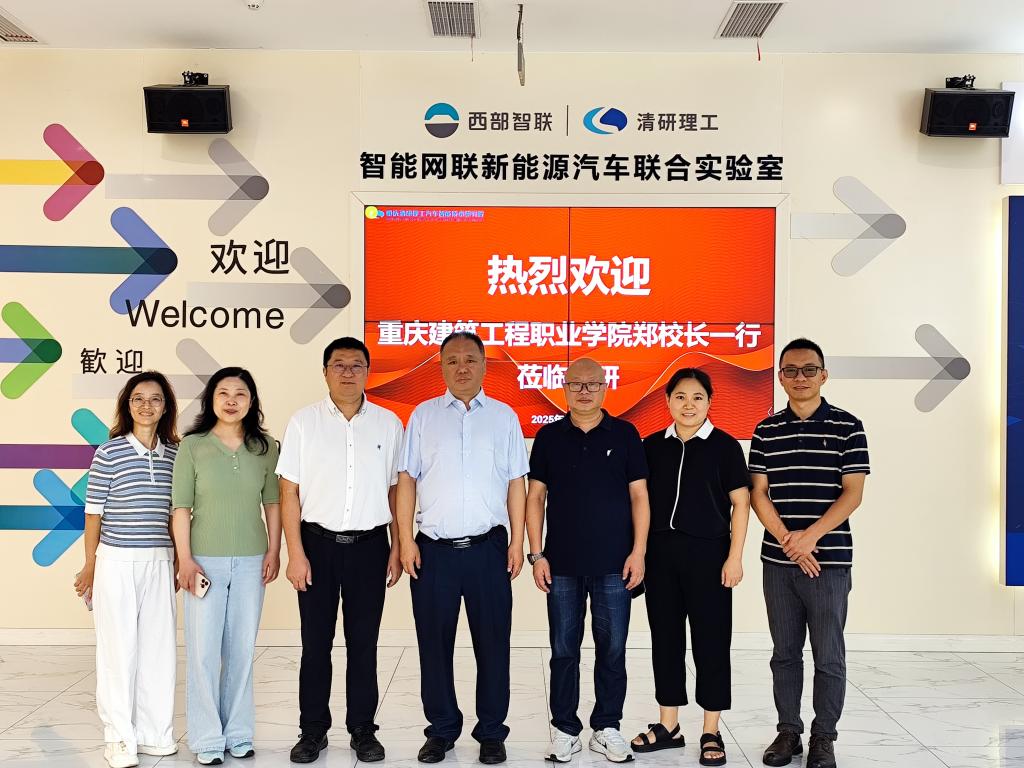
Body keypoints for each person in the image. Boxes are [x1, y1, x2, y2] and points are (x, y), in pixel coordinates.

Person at [397, 331, 529, 766]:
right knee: (434, 645)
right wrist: (404, 540)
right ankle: (441, 730)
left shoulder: (504, 417)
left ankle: (491, 732)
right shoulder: (423, 416)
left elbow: (516, 482)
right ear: (440, 367)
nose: (462, 368)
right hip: (433, 551)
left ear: (485, 365)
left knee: (493, 644)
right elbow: (407, 480)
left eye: (470, 359)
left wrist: (518, 541)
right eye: (452, 360)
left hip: (488, 549)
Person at [276, 337, 404, 764]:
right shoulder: (303, 422)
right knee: (316, 644)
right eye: (339, 365)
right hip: (317, 546)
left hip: (371, 547)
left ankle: (363, 729)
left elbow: (396, 490)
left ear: (368, 372)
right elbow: (288, 491)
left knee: (364, 644)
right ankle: (313, 730)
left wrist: (397, 545)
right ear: (325, 372)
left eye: (356, 365)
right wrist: (296, 553)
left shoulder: (388, 424)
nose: (347, 372)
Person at [749, 339, 869, 768]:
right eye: (791, 370)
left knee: (828, 655)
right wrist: (789, 540)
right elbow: (758, 493)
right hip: (777, 562)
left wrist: (811, 537)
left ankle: (824, 737)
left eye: (809, 369)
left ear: (823, 374)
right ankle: (789, 732)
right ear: (780, 377)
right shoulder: (765, 430)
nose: (800, 377)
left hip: (829, 562)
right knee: (784, 653)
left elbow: (852, 493)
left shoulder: (848, 426)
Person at [526, 358, 650, 764]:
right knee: (564, 650)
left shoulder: (626, 434)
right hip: (561, 564)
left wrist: (638, 552)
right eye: (576, 384)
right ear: (564, 388)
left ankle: (607, 727)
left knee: (612, 649)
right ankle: (565, 729)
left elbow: (639, 497)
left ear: (604, 387)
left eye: (592, 384)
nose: (584, 391)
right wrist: (537, 553)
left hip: (616, 563)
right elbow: (535, 497)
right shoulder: (549, 437)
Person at [630, 368, 751, 767]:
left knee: (711, 643)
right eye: (680, 396)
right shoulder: (652, 446)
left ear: (709, 402)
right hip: (661, 558)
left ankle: (711, 729)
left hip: (710, 558)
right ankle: (669, 725)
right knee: (665, 640)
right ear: (667, 400)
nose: (688, 405)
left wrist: (735, 556)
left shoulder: (725, 447)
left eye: (698, 397)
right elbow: (637, 503)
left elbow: (741, 504)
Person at [172, 367, 282, 766]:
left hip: (253, 560)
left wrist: (274, 551)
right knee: (203, 652)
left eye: (240, 393)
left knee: (241, 649)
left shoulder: (265, 447)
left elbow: (273, 503)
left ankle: (238, 733)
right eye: (223, 393)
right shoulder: (192, 446)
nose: (232, 400)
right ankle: (206, 738)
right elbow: (180, 508)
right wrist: (185, 559)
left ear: (252, 401)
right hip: (204, 562)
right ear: (211, 400)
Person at [75, 372, 181, 768]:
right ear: (128, 405)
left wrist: (177, 560)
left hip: (160, 561)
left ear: (166, 407)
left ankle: (155, 734)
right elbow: (93, 514)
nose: (146, 405)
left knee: (159, 651)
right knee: (118, 652)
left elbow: (175, 514)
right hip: (116, 562)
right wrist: (90, 565)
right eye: (138, 398)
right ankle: (119, 739)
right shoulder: (109, 452)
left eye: (155, 399)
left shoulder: (176, 455)